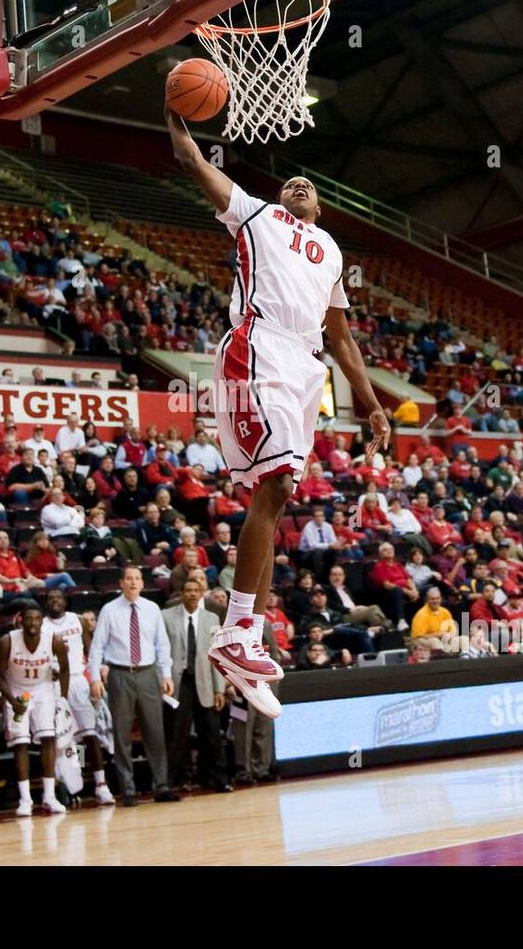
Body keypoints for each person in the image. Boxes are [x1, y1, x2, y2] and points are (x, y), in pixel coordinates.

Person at [167, 106, 389, 720]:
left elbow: (341, 338)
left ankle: (247, 639)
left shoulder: (330, 249)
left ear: (319, 207)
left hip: (304, 366)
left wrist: (371, 407)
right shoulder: (258, 216)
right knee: (276, 483)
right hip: (257, 345)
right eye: (291, 181)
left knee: (279, 493)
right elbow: (191, 162)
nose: (299, 185)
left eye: (308, 185)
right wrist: (175, 117)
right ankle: (236, 633)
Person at [88, 565, 178, 806]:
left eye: (137, 578)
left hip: (148, 673)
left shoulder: (152, 609)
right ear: (121, 583)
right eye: (129, 578)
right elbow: (97, 647)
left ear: (142, 583)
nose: (133, 582)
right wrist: (95, 678)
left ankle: (161, 786)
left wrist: (166, 674)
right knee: (121, 734)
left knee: (155, 732)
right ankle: (128, 789)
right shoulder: (109, 610)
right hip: (120, 675)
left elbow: (162, 644)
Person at [0, 605, 70, 816]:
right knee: (21, 743)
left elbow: (65, 669)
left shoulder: (53, 640)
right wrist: (10, 699)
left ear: (42, 621)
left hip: (43, 691)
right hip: (17, 692)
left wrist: (62, 698)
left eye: (37, 619)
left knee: (49, 739)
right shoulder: (7, 641)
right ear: (21, 621)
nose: (33, 623)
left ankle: (49, 796)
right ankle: (25, 799)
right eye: (29, 619)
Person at [41, 588, 114, 804]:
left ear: (65, 602)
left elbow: (91, 651)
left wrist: (94, 679)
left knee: (90, 734)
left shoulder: (78, 620)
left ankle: (101, 785)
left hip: (79, 681)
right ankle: (72, 788)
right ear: (46, 604)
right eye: (51, 598)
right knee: (65, 740)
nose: (55, 601)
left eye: (58, 598)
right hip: (55, 684)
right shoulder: (43, 626)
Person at [163, 577, 230, 793]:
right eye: (188, 590)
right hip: (178, 682)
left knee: (211, 733)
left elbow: (217, 655)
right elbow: (161, 651)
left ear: (202, 593)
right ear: (182, 593)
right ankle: (174, 781)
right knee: (176, 734)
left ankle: (217, 779)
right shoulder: (166, 617)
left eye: (196, 590)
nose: (192, 594)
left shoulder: (212, 618)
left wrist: (219, 688)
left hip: (205, 682)